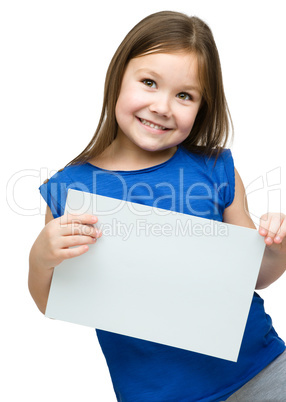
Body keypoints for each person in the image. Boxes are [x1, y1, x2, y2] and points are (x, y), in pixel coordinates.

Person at [28, 10, 286, 401]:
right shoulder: (69, 190)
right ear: (118, 78)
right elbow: (52, 302)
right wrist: (41, 257)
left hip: (262, 371)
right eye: (149, 83)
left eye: (184, 95)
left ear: (202, 106)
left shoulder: (215, 169)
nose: (163, 106)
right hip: (158, 394)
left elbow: (255, 275)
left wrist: (278, 247)